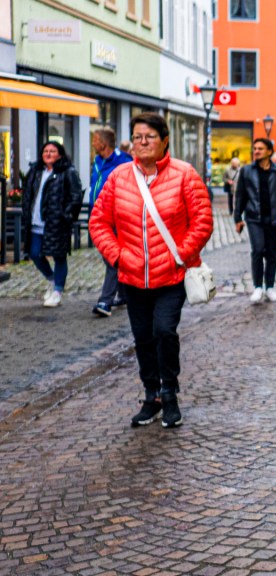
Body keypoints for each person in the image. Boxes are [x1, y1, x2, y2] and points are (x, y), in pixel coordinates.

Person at [89, 112, 214, 428]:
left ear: (165, 141)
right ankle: (152, 396)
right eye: (137, 137)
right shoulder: (119, 177)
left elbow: (202, 221)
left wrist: (181, 256)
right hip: (132, 275)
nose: (142, 143)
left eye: (150, 137)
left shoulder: (184, 175)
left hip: (171, 274)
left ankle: (169, 391)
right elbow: (99, 221)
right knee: (143, 338)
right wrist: (117, 256)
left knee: (164, 331)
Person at [234, 138, 276, 304]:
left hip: (274, 217)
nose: (256, 151)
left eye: (260, 149)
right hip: (254, 217)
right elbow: (240, 195)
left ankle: (269, 287)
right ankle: (257, 287)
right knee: (257, 249)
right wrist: (237, 218)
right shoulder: (246, 171)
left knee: (271, 253)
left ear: (269, 151)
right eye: (255, 148)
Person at [21, 141, 84, 308]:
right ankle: (51, 279)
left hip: (57, 222)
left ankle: (57, 291)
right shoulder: (35, 171)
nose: (48, 154)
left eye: (52, 151)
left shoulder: (68, 172)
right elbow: (27, 193)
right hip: (35, 221)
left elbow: (76, 196)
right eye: (45, 151)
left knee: (59, 256)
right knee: (34, 254)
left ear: (60, 155)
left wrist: (67, 215)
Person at [88, 127, 133, 317]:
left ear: (104, 143)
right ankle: (123, 295)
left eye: (95, 140)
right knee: (113, 259)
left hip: (118, 219)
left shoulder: (124, 162)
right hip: (99, 219)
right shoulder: (98, 161)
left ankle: (105, 301)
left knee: (112, 260)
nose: (93, 143)